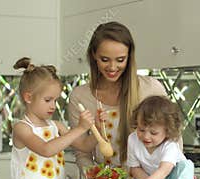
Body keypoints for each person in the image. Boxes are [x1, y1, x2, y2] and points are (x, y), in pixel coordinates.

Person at [67, 21, 168, 170]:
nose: (112, 68)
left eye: (120, 60)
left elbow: (173, 139)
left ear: (129, 57)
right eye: (105, 59)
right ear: (94, 55)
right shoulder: (80, 97)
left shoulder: (151, 88)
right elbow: (82, 152)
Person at [11, 57, 95, 179]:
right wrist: (80, 128)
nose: (53, 105)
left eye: (55, 100)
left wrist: (99, 126)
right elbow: (46, 149)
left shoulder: (57, 126)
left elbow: (84, 146)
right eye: (48, 100)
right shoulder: (22, 128)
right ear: (29, 98)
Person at [127, 96, 195, 179]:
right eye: (141, 129)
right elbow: (134, 169)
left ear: (168, 131)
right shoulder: (133, 139)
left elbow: (164, 171)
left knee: (187, 166)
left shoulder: (170, 144)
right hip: (150, 178)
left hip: (171, 177)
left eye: (153, 133)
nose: (146, 136)